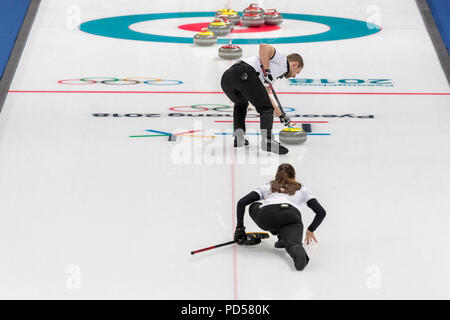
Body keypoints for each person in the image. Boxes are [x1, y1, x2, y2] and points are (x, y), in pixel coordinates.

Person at [233, 163, 326, 270]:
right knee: (294, 245)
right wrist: (310, 230)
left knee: (254, 205)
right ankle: (295, 249)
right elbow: (321, 212)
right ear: (294, 177)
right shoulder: (301, 189)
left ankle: (279, 233)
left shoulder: (267, 186)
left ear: (277, 176)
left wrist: (239, 228)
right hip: (291, 217)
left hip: (266, 216)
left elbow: (241, 203)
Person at [220, 43, 303, 155]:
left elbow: (266, 98)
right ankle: (267, 141)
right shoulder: (283, 60)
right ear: (295, 64)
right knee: (265, 108)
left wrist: (281, 115)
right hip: (244, 73)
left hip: (228, 78)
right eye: (297, 72)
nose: (294, 76)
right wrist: (267, 70)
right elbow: (263, 47)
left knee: (241, 103)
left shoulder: (276, 73)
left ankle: (239, 138)